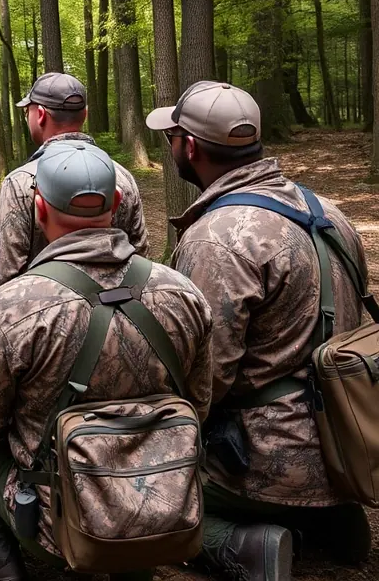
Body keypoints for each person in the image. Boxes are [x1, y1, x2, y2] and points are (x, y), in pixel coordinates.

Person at [0, 140, 212, 581]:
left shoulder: (13, 305)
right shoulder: (182, 291)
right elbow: (199, 406)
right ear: (118, 202)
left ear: (38, 208)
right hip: (168, 510)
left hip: (59, 528)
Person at [147, 81, 372, 580]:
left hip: (261, 463)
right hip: (344, 440)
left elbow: (207, 378)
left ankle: (245, 544)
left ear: (190, 146)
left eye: (172, 137)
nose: (170, 146)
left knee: (128, 499)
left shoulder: (215, 237)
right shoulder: (328, 212)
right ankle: (331, 521)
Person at [0, 73, 149, 293]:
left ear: (41, 115)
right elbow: (140, 256)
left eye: (28, 111)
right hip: (121, 318)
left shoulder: (19, 183)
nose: (27, 117)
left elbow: (4, 277)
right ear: (85, 114)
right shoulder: (122, 175)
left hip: (43, 320)